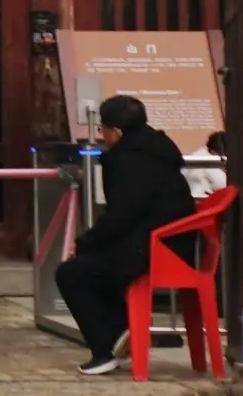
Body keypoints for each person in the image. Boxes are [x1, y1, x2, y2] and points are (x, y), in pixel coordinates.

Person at [57, 94, 197, 375]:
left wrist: (83, 244)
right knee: (93, 268)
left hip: (155, 248)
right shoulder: (156, 151)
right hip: (167, 242)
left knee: (71, 273)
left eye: (103, 129)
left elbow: (121, 216)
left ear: (117, 132)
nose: (102, 135)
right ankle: (124, 330)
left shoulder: (131, 162)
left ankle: (106, 346)